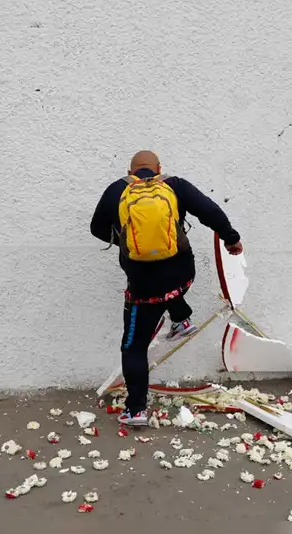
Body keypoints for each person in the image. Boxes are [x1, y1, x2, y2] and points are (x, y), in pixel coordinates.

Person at [90, 150, 243, 426]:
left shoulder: (117, 191)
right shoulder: (174, 185)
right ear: (159, 168)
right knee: (171, 285)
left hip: (143, 289)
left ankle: (136, 410)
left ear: (130, 170)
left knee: (134, 347)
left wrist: (125, 238)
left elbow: (96, 228)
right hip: (182, 275)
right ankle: (181, 317)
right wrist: (231, 239)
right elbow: (210, 211)